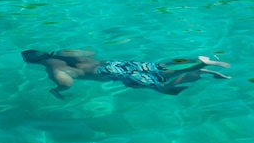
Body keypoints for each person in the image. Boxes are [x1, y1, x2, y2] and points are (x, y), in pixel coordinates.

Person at [23, 49, 230, 97]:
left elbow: (66, 84)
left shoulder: (53, 68)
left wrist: (56, 90)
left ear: (33, 62)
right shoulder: (64, 53)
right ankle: (198, 61)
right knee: (161, 66)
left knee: (166, 87)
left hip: (109, 72)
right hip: (116, 63)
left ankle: (200, 71)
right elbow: (90, 52)